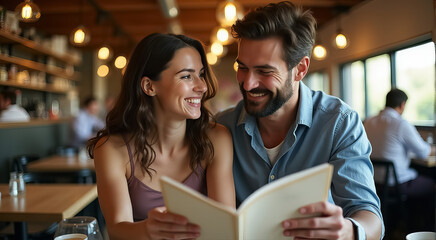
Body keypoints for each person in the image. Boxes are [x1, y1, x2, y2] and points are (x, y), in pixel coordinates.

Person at [216, 2, 383, 240]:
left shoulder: (339, 123)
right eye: (242, 68)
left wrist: (349, 231)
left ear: (300, 69)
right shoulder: (221, 127)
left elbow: (370, 217)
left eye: (264, 71)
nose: (248, 83)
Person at [87, 33, 235, 240]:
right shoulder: (111, 149)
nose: (202, 86)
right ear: (149, 86)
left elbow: (224, 227)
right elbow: (117, 229)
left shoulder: (216, 139)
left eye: (201, 74)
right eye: (186, 76)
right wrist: (148, 230)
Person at [364, 88, 435, 231]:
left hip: (373, 182)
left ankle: (404, 224)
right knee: (432, 184)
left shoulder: (369, 121)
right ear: (402, 105)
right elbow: (423, 152)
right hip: (395, 183)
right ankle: (423, 229)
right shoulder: (401, 124)